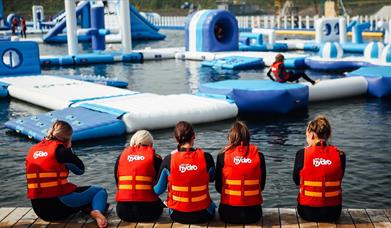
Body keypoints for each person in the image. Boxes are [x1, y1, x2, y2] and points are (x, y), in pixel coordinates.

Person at [26, 120, 108, 227]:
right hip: (58, 207)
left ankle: (87, 207)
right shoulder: (61, 151)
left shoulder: (33, 150)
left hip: (39, 209)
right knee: (99, 191)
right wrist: (69, 149)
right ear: (68, 137)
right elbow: (80, 170)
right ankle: (97, 212)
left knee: (76, 194)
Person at [154, 121, 216, 224]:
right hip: (204, 214)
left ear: (176, 138)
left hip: (177, 215)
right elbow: (213, 178)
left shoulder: (168, 160)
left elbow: (157, 190)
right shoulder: (207, 158)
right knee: (212, 205)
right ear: (194, 136)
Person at [292, 115, 345, 222]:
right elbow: (340, 176)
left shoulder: (302, 153)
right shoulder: (340, 154)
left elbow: (297, 181)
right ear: (328, 135)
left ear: (311, 135)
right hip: (334, 213)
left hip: (307, 212)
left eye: (306, 135)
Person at [215, 121, 266, 224]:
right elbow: (262, 185)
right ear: (248, 137)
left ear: (231, 137)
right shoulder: (259, 156)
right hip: (254, 214)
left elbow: (218, 187)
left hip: (228, 214)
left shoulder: (222, 156)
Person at [114, 130, 164, 222]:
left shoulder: (121, 157)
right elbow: (159, 188)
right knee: (161, 203)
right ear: (150, 144)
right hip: (150, 212)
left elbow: (118, 184)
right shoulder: (156, 159)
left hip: (123, 213)